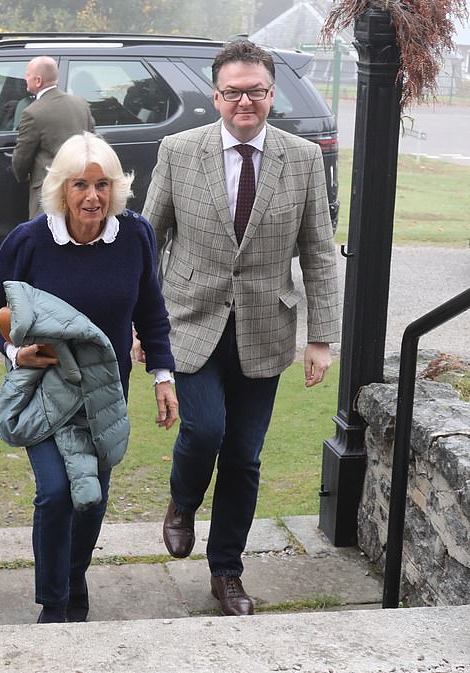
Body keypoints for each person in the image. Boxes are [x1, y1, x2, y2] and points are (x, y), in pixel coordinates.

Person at [142, 40, 341, 617]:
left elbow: (319, 254)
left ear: (272, 95)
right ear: (217, 96)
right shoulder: (179, 151)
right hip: (189, 322)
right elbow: (147, 239)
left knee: (245, 458)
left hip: (265, 329)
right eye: (234, 91)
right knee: (204, 432)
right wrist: (139, 322)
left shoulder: (302, 158)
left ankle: (226, 570)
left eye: (256, 90)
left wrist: (321, 338)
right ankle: (182, 502)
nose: (245, 101)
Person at [0, 132, 178, 624]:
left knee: (92, 499)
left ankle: (74, 577)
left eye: (103, 185)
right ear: (60, 190)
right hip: (45, 392)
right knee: (56, 492)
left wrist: (162, 376)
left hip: (105, 395)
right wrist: (14, 351)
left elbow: (151, 311)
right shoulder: (27, 242)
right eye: (80, 185)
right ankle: (54, 601)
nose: (93, 196)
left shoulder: (134, 235)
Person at [12, 56, 95, 219]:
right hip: (81, 190)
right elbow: (94, 144)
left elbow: (21, 159)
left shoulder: (33, 112)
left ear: (38, 80)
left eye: (27, 75)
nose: (24, 78)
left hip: (49, 194)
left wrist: (21, 175)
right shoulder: (81, 104)